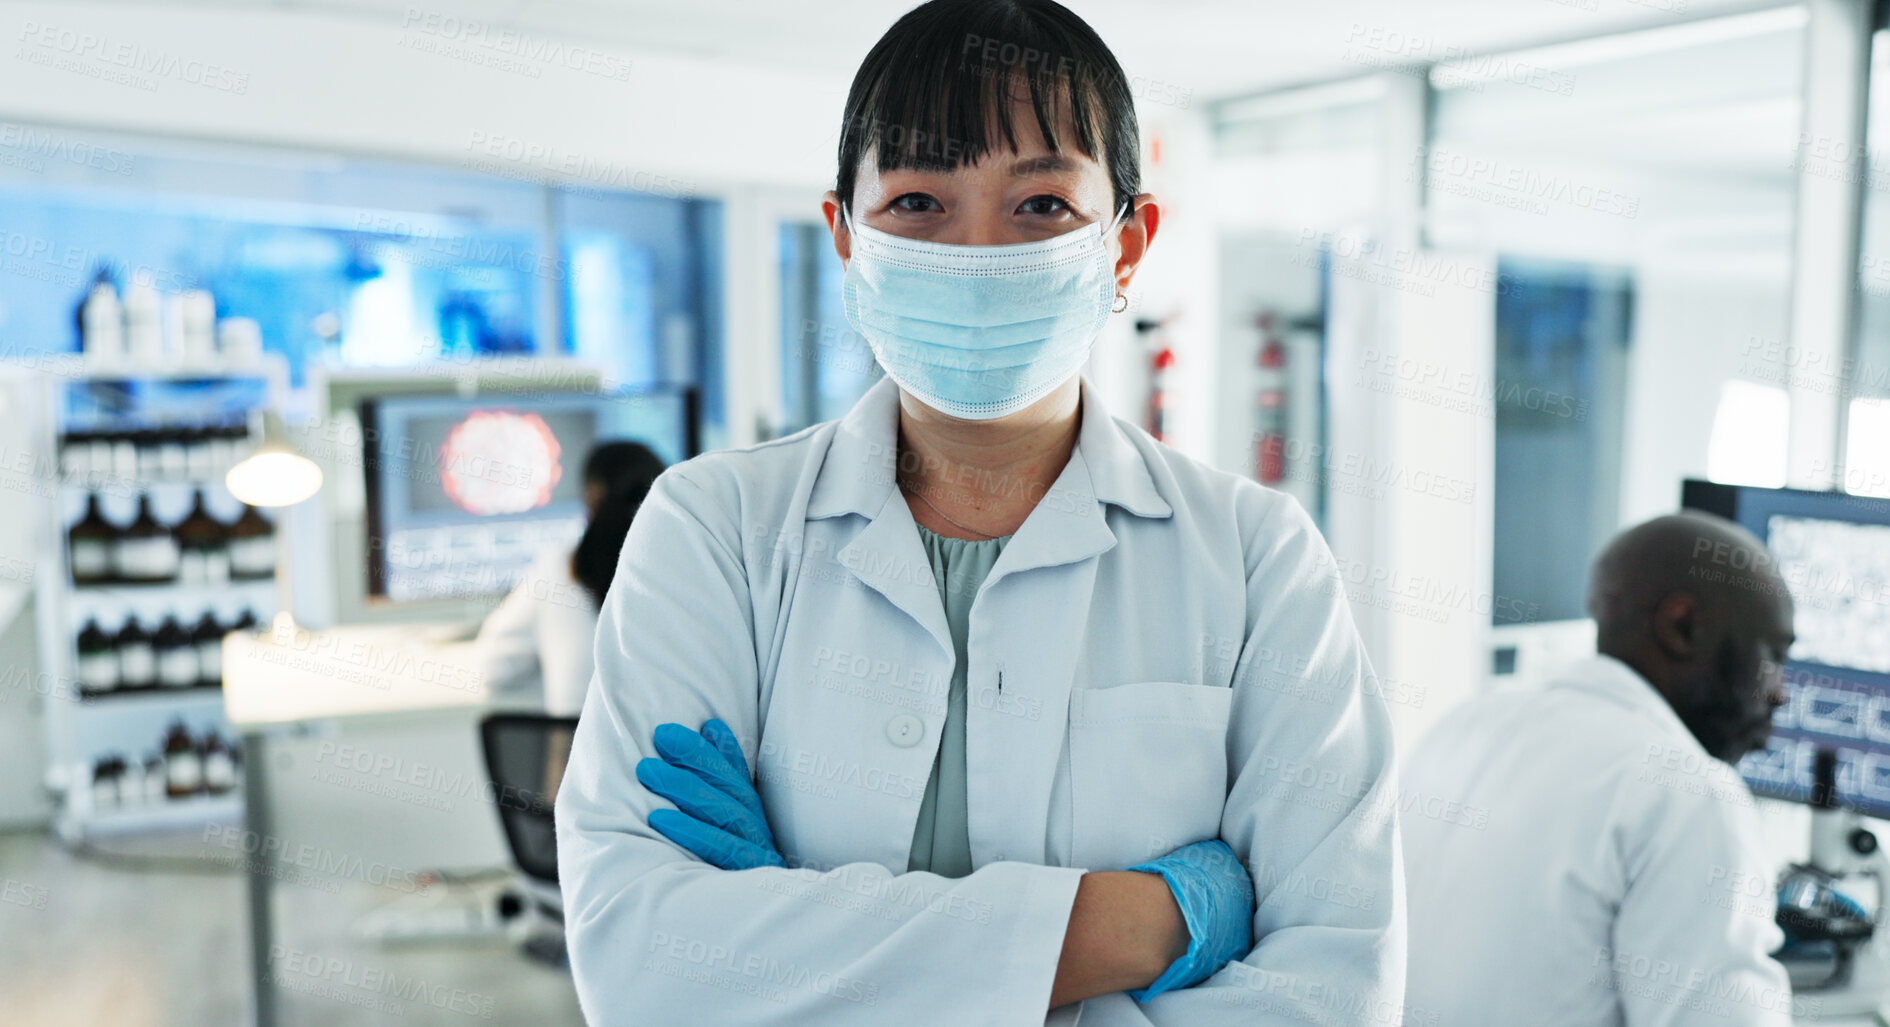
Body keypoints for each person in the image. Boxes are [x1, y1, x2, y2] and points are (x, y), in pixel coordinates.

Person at [554, 2, 1404, 1023]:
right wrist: (1141, 926)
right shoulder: (715, 529)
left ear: (1128, 245)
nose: (978, 251)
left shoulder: (1258, 558)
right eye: (917, 200)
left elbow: (1331, 989)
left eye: (1041, 204)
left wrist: (794, 954)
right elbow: (644, 965)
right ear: (846, 238)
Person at [1400, 512, 1798, 1025]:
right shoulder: (1688, 796)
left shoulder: (1462, 725)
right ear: (1681, 627)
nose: (1779, 692)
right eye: (1772, 656)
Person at [475, 440, 665, 717]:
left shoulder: (558, 567)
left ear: (591, 495)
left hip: (572, 745)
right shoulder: (680, 570)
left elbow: (492, 669)